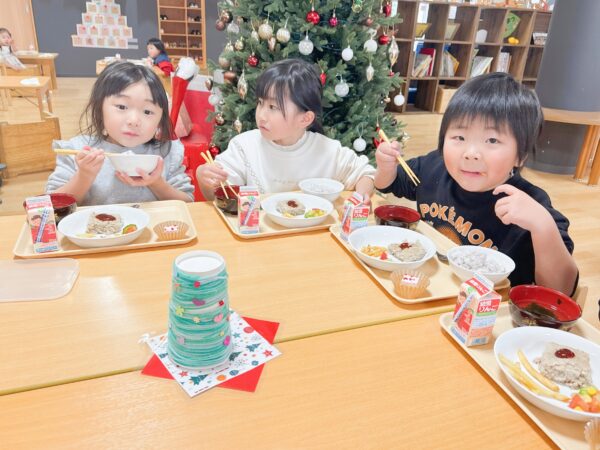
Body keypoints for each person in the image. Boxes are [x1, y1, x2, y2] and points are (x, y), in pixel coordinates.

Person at [374, 72, 578, 296]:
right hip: (431, 288)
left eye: (492, 140)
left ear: (521, 156)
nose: (471, 153)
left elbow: (560, 291)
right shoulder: (434, 167)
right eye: (459, 137)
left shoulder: (531, 204)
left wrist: (542, 226)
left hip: (485, 308)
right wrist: (386, 168)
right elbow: (387, 185)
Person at [196, 58, 376, 202]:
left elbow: (366, 174)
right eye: (260, 103)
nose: (261, 115)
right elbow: (218, 194)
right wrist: (205, 179)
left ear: (305, 118)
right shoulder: (244, 146)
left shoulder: (328, 151)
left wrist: (361, 198)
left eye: (273, 107)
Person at [47, 61, 193, 205]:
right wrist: (84, 176)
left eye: (147, 111)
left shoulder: (166, 153)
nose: (134, 121)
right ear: (99, 109)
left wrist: (156, 183)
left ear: (160, 120)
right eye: (122, 107)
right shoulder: (78, 151)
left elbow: (188, 203)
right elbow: (52, 204)